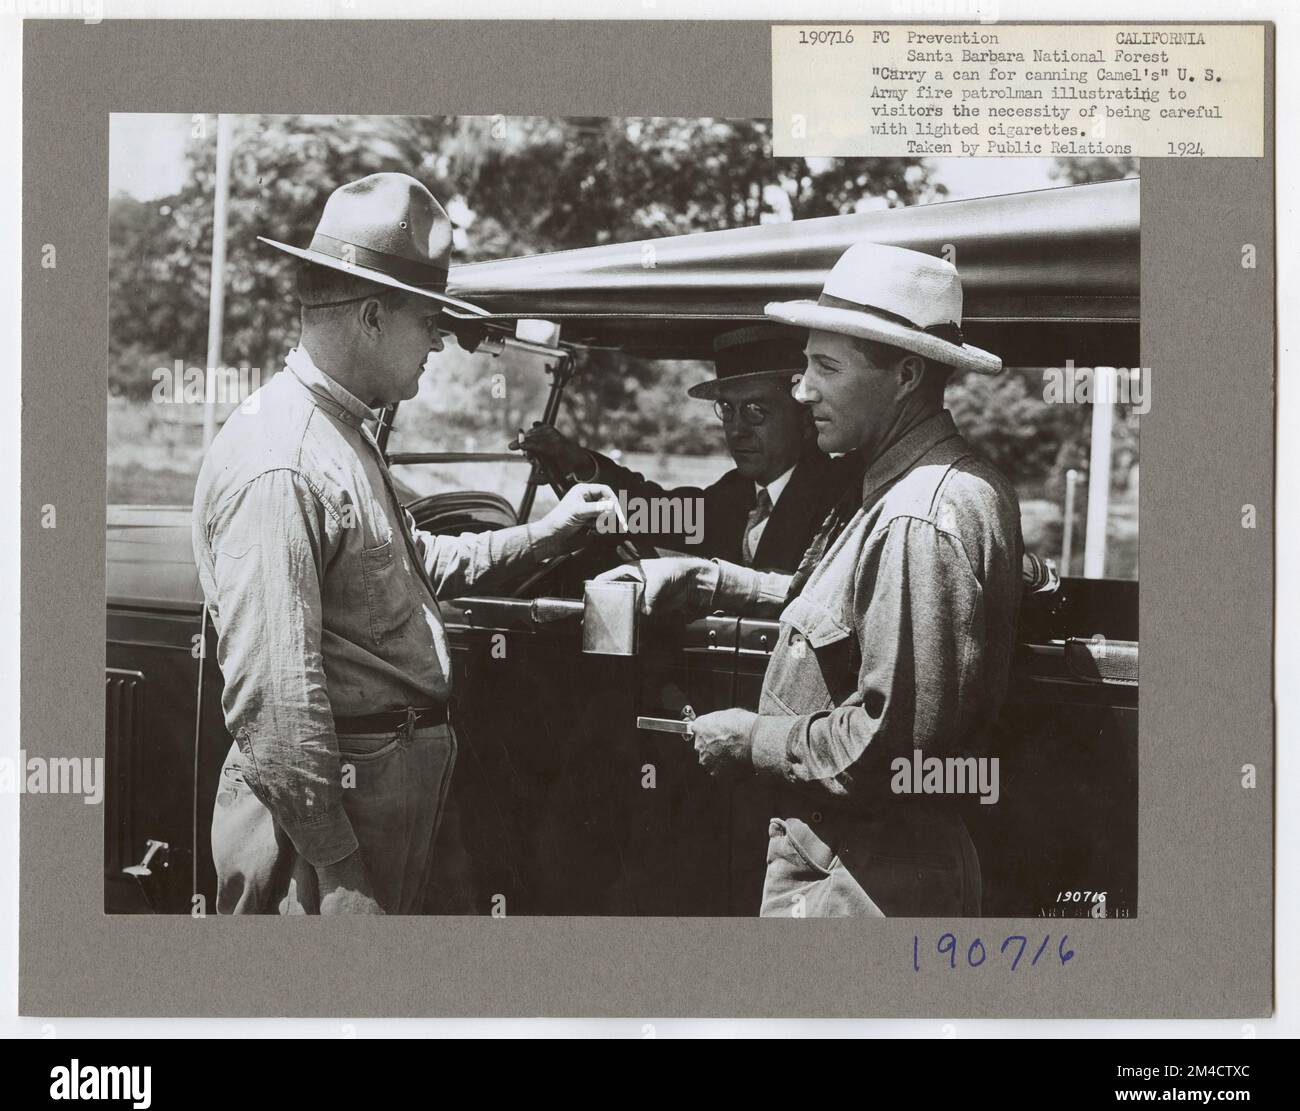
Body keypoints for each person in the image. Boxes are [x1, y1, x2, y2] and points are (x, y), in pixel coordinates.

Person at [193, 173, 616, 915]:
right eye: (431, 323)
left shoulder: (341, 432)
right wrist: (343, 873)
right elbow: (275, 701)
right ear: (372, 316)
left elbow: (415, 566)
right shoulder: (284, 457)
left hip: (385, 804)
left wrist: (550, 535)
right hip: (323, 841)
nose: (441, 345)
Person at [599, 242, 1024, 917]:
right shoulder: (913, 490)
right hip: (857, 866)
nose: (803, 390)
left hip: (861, 879)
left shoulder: (915, 514)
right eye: (805, 365)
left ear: (907, 375)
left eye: (825, 367)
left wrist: (750, 738)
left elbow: (890, 749)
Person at [515, 325, 855, 570]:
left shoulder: (843, 499)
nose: (736, 429)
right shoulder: (732, 496)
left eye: (756, 411)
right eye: (727, 410)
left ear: (805, 418)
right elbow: (644, 514)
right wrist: (575, 462)